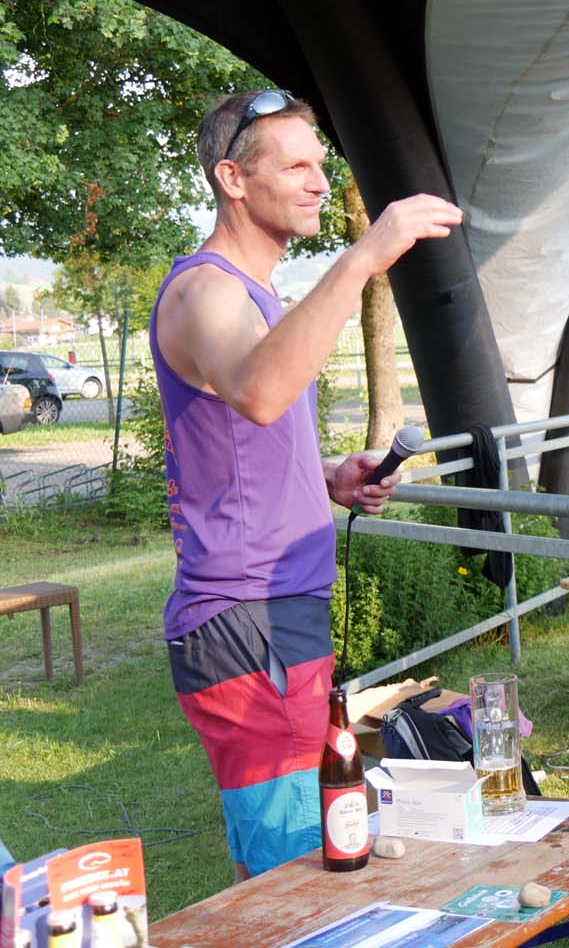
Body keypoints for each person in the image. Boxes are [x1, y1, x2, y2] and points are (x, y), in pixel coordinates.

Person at [151, 89, 462, 880]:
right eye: (295, 166)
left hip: (272, 612)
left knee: (292, 856)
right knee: (298, 871)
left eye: (320, 164)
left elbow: (237, 437)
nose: (321, 182)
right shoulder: (207, 290)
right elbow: (259, 393)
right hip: (251, 618)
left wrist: (325, 476)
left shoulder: (252, 296)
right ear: (232, 179)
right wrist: (361, 259)